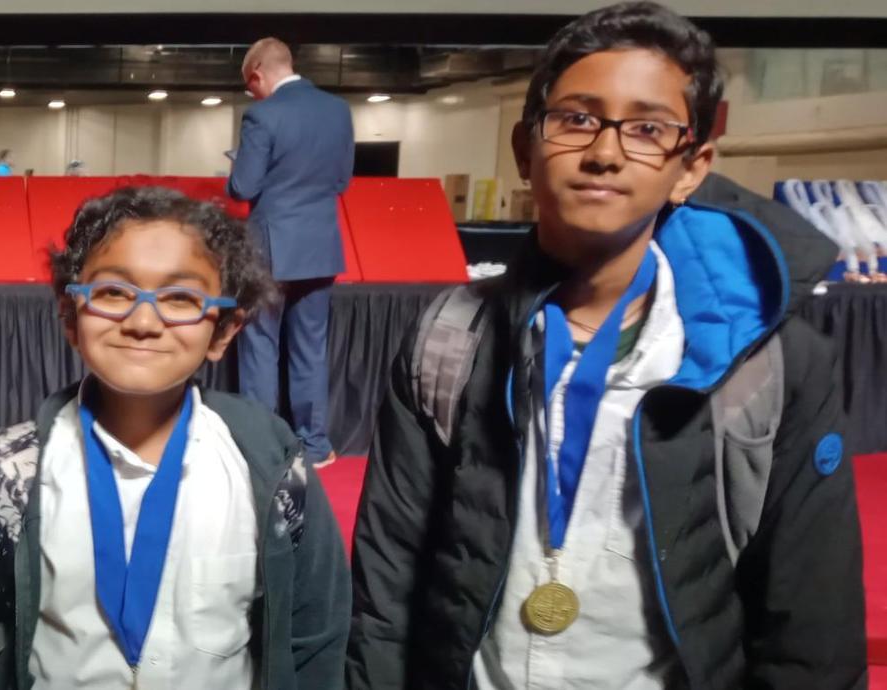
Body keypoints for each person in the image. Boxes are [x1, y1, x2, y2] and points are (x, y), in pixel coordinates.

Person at [348, 3, 866, 688]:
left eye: (648, 129)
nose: (605, 151)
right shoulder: (449, 339)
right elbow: (388, 581)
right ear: (524, 150)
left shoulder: (773, 365)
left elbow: (810, 623)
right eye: (576, 118)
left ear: (692, 167)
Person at [0, 187, 350, 690]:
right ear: (70, 315)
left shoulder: (273, 470)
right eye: (113, 293)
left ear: (224, 331)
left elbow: (314, 642)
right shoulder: (5, 473)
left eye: (181, 298)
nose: (143, 322)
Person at [226, 36, 354, 469]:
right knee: (310, 349)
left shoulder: (261, 116)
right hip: (320, 246)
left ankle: (262, 444)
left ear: (258, 73)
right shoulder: (338, 110)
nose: (252, 94)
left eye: (250, 85)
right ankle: (314, 445)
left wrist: (238, 164)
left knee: (260, 347)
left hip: (271, 249)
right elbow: (342, 180)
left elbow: (243, 187)